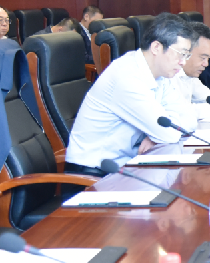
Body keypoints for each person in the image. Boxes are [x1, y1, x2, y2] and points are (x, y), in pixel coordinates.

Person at [64, 13, 199, 174]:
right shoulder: (127, 77)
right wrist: (159, 134)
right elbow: (168, 133)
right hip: (95, 172)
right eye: (181, 54)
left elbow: (190, 118)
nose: (183, 62)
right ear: (156, 47)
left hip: (128, 163)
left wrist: (155, 136)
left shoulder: (161, 74)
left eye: (186, 56)